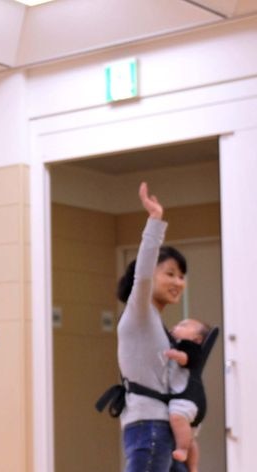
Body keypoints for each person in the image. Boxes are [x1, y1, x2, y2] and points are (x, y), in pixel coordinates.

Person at [115, 182, 189, 472]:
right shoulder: (140, 313)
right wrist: (155, 221)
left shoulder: (157, 323)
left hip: (160, 427)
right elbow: (143, 274)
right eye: (170, 273)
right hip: (149, 428)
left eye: (182, 276)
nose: (178, 282)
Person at [166, 318, 211, 472]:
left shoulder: (190, 347)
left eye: (183, 325)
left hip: (187, 400)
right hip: (192, 401)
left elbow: (186, 359)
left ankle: (182, 449)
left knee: (175, 417)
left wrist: (176, 355)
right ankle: (193, 467)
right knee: (190, 438)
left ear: (197, 339)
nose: (176, 326)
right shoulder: (182, 345)